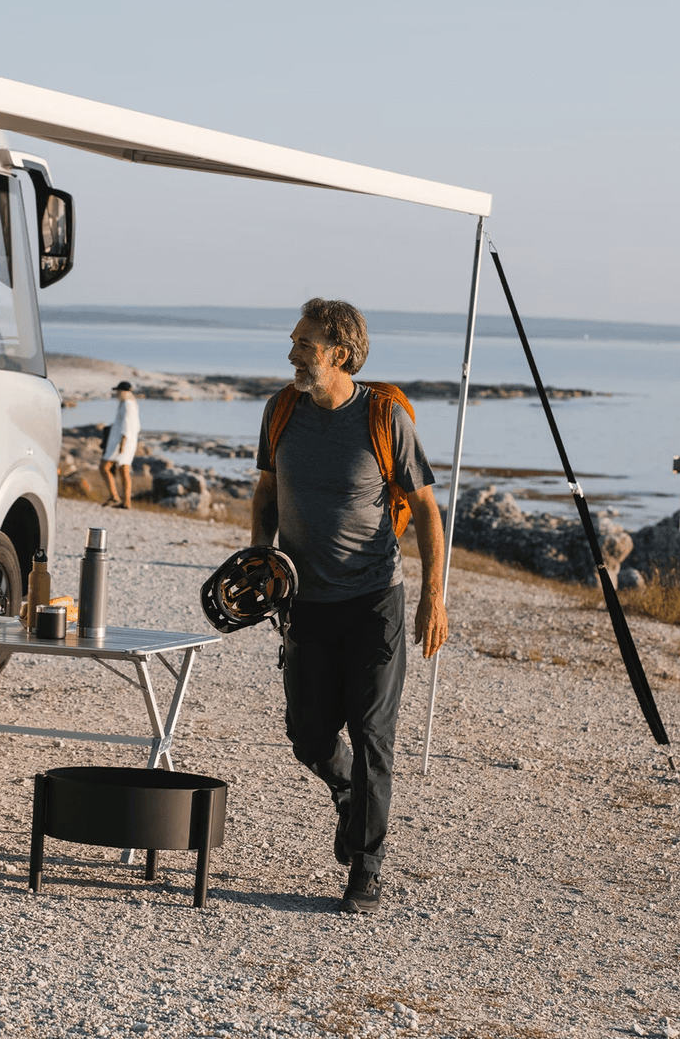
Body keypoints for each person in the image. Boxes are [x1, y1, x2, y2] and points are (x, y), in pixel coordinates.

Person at [251, 298, 448, 914]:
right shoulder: (281, 411)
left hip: (373, 602)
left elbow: (426, 510)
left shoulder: (385, 419)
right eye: (293, 341)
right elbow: (266, 491)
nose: (290, 353)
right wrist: (259, 561)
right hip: (304, 603)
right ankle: (347, 792)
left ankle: (366, 866)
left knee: (371, 733)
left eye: (303, 344)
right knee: (308, 736)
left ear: (339, 352)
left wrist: (433, 598)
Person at [100, 380, 141, 509]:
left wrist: (123, 443)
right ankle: (126, 501)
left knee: (104, 467)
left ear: (123, 392)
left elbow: (127, 425)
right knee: (124, 470)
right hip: (125, 440)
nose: (117, 393)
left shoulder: (127, 404)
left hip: (121, 442)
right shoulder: (130, 404)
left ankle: (115, 496)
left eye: (118, 391)